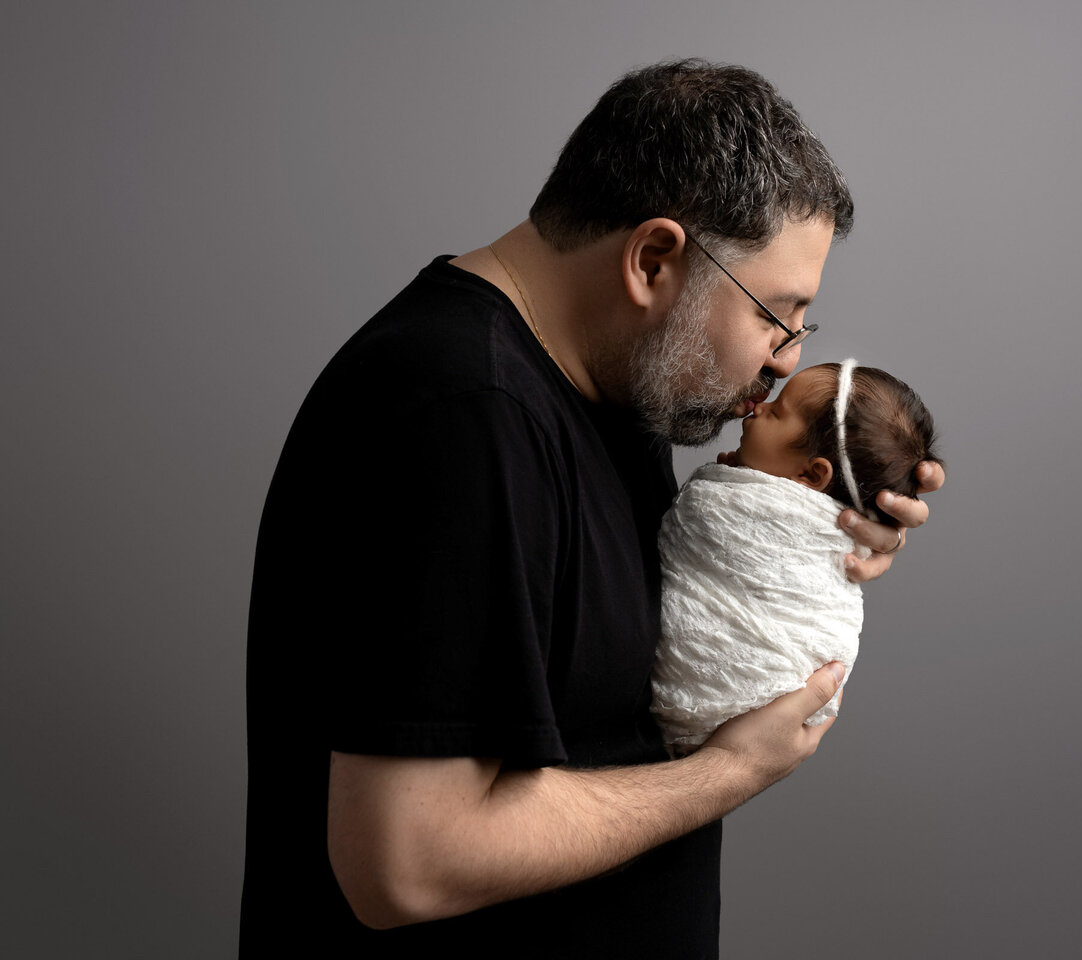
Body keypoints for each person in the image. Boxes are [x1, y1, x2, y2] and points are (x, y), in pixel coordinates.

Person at [239, 59, 945, 958]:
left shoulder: (611, 387)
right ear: (654, 260)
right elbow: (404, 864)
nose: (783, 358)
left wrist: (814, 538)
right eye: (778, 313)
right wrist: (727, 772)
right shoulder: (464, 415)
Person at [652, 359, 942, 753]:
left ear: (810, 476)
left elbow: (703, 515)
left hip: (760, 685)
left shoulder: (798, 522)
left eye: (778, 412)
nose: (760, 406)